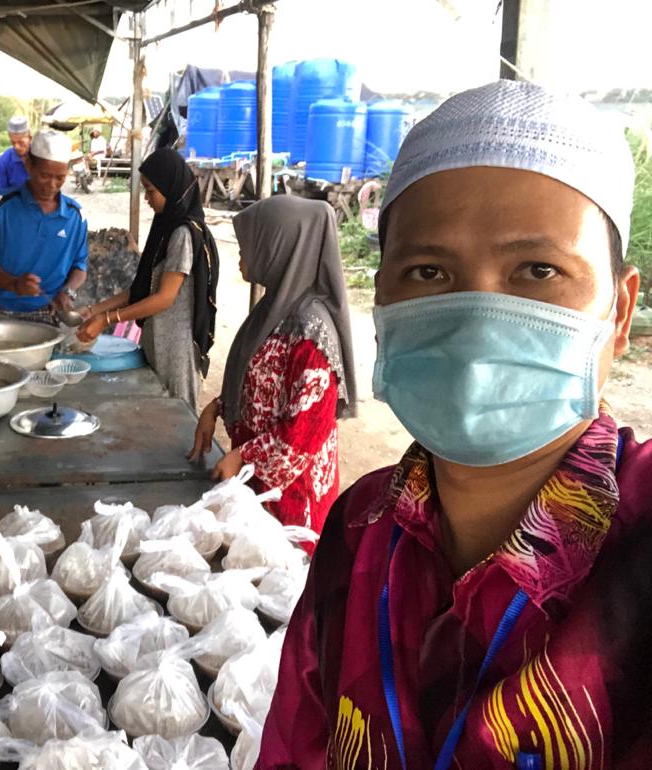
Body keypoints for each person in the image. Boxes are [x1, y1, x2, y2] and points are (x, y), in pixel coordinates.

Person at [257, 80, 650, 768]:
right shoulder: (357, 531)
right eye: (429, 270)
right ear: (380, 297)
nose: (475, 317)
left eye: (537, 269)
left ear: (618, 312)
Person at [189, 196, 356, 540]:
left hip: (291, 507)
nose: (240, 256)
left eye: (248, 246)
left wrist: (242, 456)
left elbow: (301, 438)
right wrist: (218, 407)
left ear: (277, 247)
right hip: (259, 492)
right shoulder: (275, 309)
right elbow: (262, 382)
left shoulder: (311, 332)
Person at [77, 148, 219, 411]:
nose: (146, 198)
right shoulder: (164, 229)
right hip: (156, 340)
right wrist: (92, 311)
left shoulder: (183, 234)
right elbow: (140, 291)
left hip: (176, 349)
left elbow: (164, 298)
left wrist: (107, 319)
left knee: (179, 417)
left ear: (170, 186)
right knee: (156, 414)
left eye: (151, 190)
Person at [0, 129, 88, 324]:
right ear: (29, 166)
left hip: (50, 314)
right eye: (45, 175)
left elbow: (80, 266)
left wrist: (67, 292)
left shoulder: (75, 215)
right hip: (1, 312)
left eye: (59, 177)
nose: (51, 184)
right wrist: (14, 284)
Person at [0, 115, 31, 196]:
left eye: (21, 142)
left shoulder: (40, 158)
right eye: (13, 143)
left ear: (30, 137)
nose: (16, 147)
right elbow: (0, 194)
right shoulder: (4, 161)